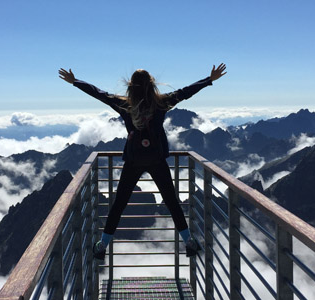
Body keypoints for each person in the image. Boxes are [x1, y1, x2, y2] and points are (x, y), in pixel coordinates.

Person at [58, 64, 227, 260]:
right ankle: (188, 240)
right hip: (156, 159)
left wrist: (75, 81)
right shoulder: (161, 103)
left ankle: (102, 245)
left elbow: (99, 94)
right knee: (172, 201)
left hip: (133, 160)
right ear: (152, 84)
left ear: (131, 86)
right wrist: (209, 79)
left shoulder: (124, 104)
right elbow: (185, 92)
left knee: (119, 203)